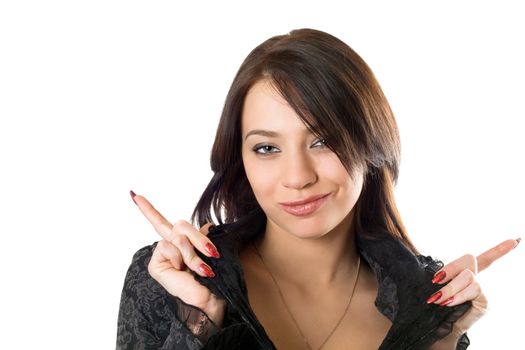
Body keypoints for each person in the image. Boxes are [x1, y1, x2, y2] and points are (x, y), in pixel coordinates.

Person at [116, 28, 519, 349]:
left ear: (370, 142)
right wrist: (200, 321)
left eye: (323, 141)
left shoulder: (427, 305)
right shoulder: (168, 281)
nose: (297, 176)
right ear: (241, 158)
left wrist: (436, 340)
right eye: (267, 148)